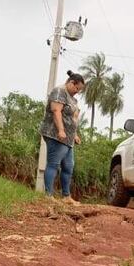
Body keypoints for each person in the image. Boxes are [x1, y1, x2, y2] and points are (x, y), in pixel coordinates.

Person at [40, 70, 85, 198]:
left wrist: (74, 134)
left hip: (68, 139)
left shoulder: (73, 100)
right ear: (71, 83)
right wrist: (60, 130)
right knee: (54, 164)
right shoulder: (59, 91)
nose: (77, 91)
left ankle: (66, 196)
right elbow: (56, 111)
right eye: (77, 88)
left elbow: (73, 119)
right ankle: (48, 196)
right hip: (55, 134)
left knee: (68, 167)